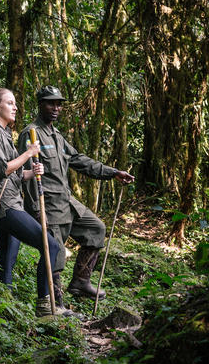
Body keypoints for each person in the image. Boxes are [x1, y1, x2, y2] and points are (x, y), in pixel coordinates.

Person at [17, 85, 134, 308]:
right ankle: (56, 306)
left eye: (59, 104)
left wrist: (113, 173)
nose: (56, 108)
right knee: (56, 254)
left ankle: (81, 281)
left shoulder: (57, 135)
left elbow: (79, 160)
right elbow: (28, 173)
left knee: (95, 228)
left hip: (67, 201)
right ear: (40, 104)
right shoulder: (31, 133)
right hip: (48, 204)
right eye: (51, 103)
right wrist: (35, 210)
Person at [0, 87, 75, 317]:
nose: (15, 107)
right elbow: (2, 169)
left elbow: (12, 173)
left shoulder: (2, 133)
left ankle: (1, 312)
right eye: (10, 103)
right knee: (50, 245)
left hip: (11, 201)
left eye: (15, 103)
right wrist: (29, 154)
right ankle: (44, 304)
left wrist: (30, 173)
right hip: (6, 206)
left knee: (7, 261)